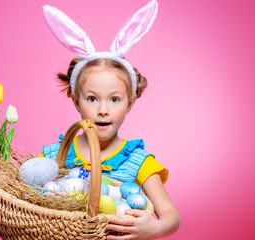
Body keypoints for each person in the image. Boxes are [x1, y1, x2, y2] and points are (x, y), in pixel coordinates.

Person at [40, 1, 180, 239]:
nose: (103, 110)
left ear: (130, 103)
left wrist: (155, 228)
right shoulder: (54, 157)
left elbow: (171, 217)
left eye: (114, 100)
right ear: (76, 101)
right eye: (92, 99)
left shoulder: (138, 162)